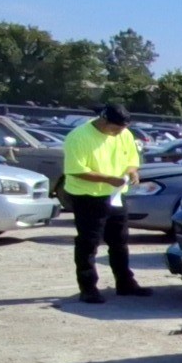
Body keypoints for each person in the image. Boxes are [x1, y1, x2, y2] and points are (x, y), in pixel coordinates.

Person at [62, 104, 151, 303]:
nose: (119, 133)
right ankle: (88, 287)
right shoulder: (78, 136)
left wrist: (132, 171)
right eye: (115, 128)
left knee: (120, 241)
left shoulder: (124, 134)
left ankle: (125, 282)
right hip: (87, 196)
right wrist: (108, 179)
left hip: (116, 195)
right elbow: (76, 169)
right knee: (89, 243)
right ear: (103, 120)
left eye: (122, 129)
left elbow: (132, 159)